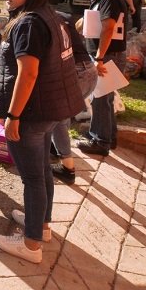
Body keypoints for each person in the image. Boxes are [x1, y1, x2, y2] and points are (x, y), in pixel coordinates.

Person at [0, 0, 84, 264]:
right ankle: (40, 225)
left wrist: (13, 116)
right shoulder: (49, 15)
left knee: (32, 177)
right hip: (50, 108)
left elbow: (28, 74)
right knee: (41, 170)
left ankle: (30, 245)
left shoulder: (29, 23)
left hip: (32, 112)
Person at [74, 0, 129, 157]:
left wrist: (98, 58)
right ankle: (109, 138)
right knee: (105, 99)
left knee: (99, 99)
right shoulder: (100, 0)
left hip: (107, 56)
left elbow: (108, 28)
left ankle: (99, 141)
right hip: (107, 55)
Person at [48, 11, 98, 184]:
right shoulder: (64, 15)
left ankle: (67, 168)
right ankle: (57, 149)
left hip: (77, 72)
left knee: (58, 118)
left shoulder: (45, 20)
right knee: (63, 115)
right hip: (89, 70)